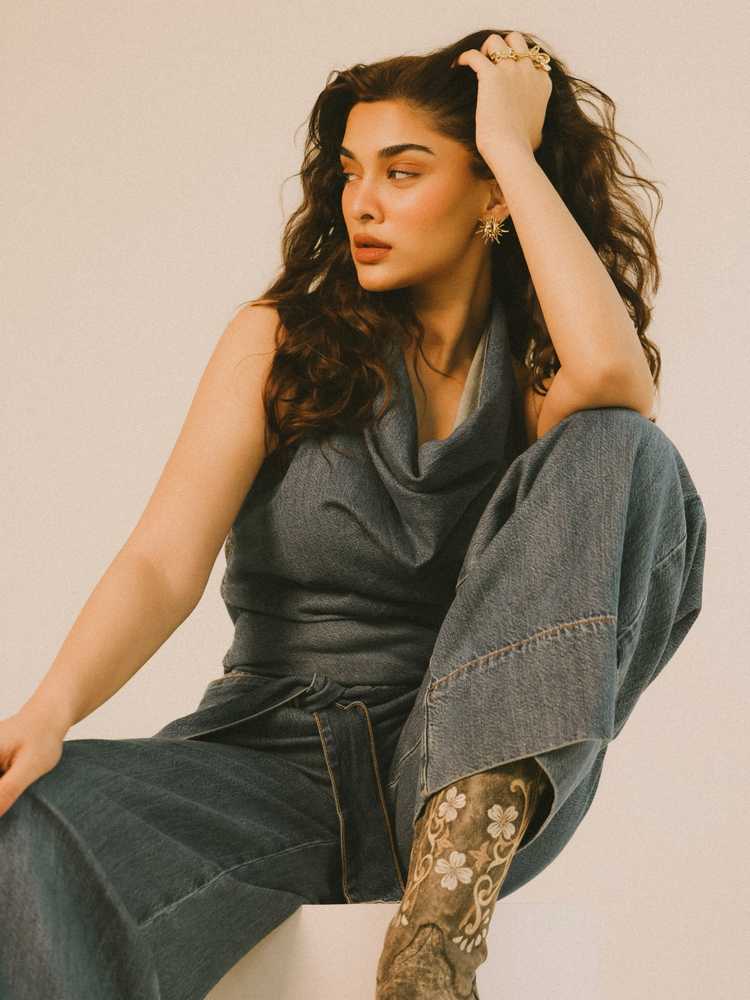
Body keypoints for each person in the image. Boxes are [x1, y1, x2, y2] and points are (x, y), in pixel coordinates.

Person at [0, 27, 706, 1000]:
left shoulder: (538, 371)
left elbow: (619, 382)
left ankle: (437, 938)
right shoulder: (280, 340)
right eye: (349, 172)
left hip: (461, 771)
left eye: (402, 172)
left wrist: (509, 144)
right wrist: (50, 710)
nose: (361, 202)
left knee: (623, 446)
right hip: (266, 759)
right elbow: (162, 560)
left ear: (491, 195)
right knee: (35, 817)